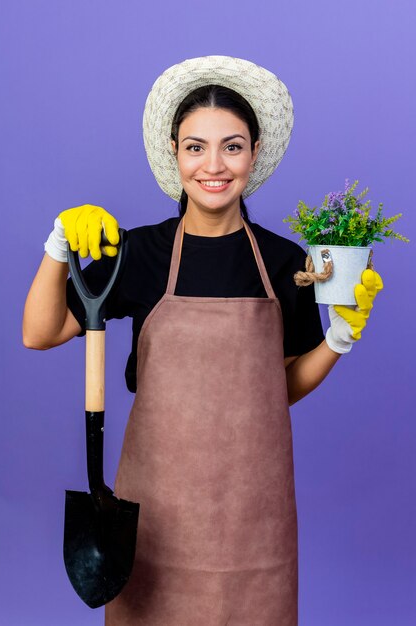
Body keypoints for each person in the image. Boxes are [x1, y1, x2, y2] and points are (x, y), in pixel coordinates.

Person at [23, 56, 383, 625]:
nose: (213, 165)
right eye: (195, 147)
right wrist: (58, 245)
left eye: (231, 147)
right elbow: (39, 333)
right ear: (174, 152)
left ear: (255, 153)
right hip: (154, 521)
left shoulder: (287, 263)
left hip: (254, 526)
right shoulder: (138, 254)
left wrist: (337, 339)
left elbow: (280, 388)